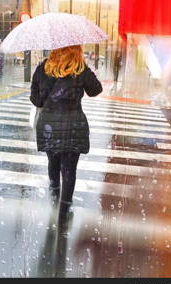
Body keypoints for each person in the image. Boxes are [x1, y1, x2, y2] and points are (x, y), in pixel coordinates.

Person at [30, 45, 102, 214]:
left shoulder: (43, 68)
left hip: (49, 126)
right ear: (76, 50)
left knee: (53, 162)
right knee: (69, 169)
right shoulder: (80, 69)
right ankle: (65, 208)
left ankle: (54, 199)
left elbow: (36, 100)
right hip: (74, 125)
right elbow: (96, 90)